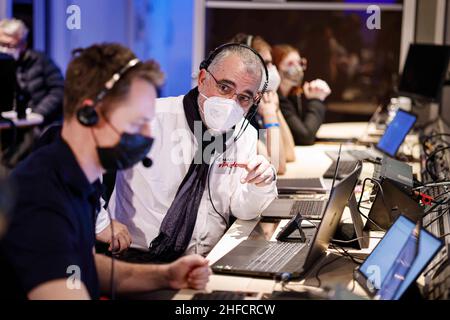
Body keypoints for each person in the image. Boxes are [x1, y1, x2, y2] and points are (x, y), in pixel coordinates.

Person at [0, 43, 210, 300]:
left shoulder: (80, 179)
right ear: (89, 114)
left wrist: (166, 276)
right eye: (138, 122)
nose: (148, 136)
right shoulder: (41, 198)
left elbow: (82, 267)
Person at [107, 43, 278, 262]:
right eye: (224, 88)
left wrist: (260, 185)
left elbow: (242, 209)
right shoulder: (150, 117)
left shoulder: (245, 136)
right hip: (140, 257)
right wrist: (100, 221)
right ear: (202, 79)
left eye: (243, 98)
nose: (231, 103)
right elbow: (74, 161)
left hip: (209, 259)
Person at [0, 18, 64, 165]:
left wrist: (40, 112)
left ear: (23, 44)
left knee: (24, 146)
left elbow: (58, 89)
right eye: (1, 44)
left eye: (10, 45)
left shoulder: (40, 61)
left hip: (35, 125)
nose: (4, 49)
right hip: (8, 122)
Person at [230, 33, 296, 174]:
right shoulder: (238, 112)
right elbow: (278, 167)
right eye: (266, 64)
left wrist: (275, 110)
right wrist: (270, 114)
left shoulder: (258, 103)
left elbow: (290, 153)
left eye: (271, 63)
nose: (272, 69)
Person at [272, 44, 331, 146]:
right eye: (290, 64)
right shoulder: (275, 98)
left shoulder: (295, 96)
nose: (297, 68)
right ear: (276, 67)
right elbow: (305, 137)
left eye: (299, 63)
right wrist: (316, 100)